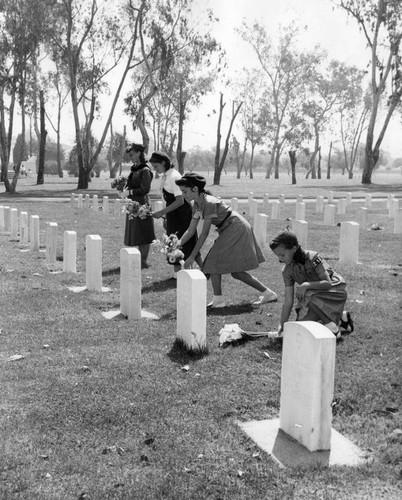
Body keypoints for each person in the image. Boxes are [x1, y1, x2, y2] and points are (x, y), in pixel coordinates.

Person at [175, 172, 277, 308]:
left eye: (185, 191)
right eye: (182, 192)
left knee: (212, 261)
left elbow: (204, 233)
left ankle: (219, 300)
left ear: (195, 189)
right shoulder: (197, 205)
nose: (184, 195)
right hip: (229, 228)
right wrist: (176, 245)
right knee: (236, 272)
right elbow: (190, 230)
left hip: (236, 227)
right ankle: (268, 293)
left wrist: (192, 256)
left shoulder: (208, 202)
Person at [269, 229, 354, 338]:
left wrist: (307, 285)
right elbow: (288, 300)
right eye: (277, 256)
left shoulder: (313, 257)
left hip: (335, 290)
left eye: (282, 255)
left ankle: (332, 326)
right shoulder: (287, 271)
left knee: (307, 293)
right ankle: (342, 319)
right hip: (314, 297)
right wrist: (282, 324)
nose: (280, 259)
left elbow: (327, 283)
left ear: (294, 249)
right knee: (301, 326)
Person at [149, 151, 202, 275]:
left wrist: (161, 212)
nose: (155, 170)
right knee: (173, 242)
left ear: (163, 163)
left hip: (182, 214)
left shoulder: (174, 176)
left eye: (156, 166)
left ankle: (205, 271)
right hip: (173, 214)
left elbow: (180, 200)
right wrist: (166, 216)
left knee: (187, 243)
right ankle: (178, 274)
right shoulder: (166, 176)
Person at [124, 143, 155, 269]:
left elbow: (145, 189)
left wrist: (130, 192)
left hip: (142, 203)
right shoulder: (135, 168)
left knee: (144, 232)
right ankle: (136, 259)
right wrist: (123, 189)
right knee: (136, 231)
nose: (130, 157)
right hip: (133, 203)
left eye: (132, 155)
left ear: (138, 153)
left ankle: (143, 261)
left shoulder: (145, 170)